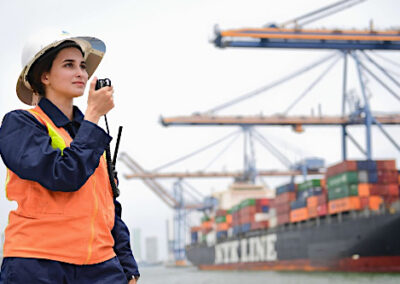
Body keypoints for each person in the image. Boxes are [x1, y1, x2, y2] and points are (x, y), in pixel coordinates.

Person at [0, 30, 140, 283]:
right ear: (45, 76)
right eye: (69, 65)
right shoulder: (21, 124)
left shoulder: (89, 135)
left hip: (101, 268)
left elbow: (107, 206)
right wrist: (94, 115)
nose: (81, 73)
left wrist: (127, 266)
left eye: (83, 66)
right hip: (39, 264)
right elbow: (63, 176)